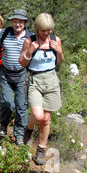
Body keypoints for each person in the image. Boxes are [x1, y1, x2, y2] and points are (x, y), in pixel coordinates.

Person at [19, 13, 65, 165]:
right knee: (38, 116)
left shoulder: (55, 40)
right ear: (37, 29)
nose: (47, 33)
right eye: (44, 30)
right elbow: (22, 63)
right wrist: (30, 51)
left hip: (51, 79)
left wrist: (59, 51)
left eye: (49, 30)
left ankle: (41, 150)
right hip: (34, 80)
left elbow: (59, 62)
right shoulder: (29, 41)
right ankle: (28, 128)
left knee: (46, 119)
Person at [0, 9, 33, 145]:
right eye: (15, 22)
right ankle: (3, 126)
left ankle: (19, 134)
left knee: (22, 106)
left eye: (20, 22)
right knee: (7, 104)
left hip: (22, 75)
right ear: (11, 22)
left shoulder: (30, 37)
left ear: (25, 22)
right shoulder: (4, 33)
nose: (17, 24)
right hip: (6, 74)